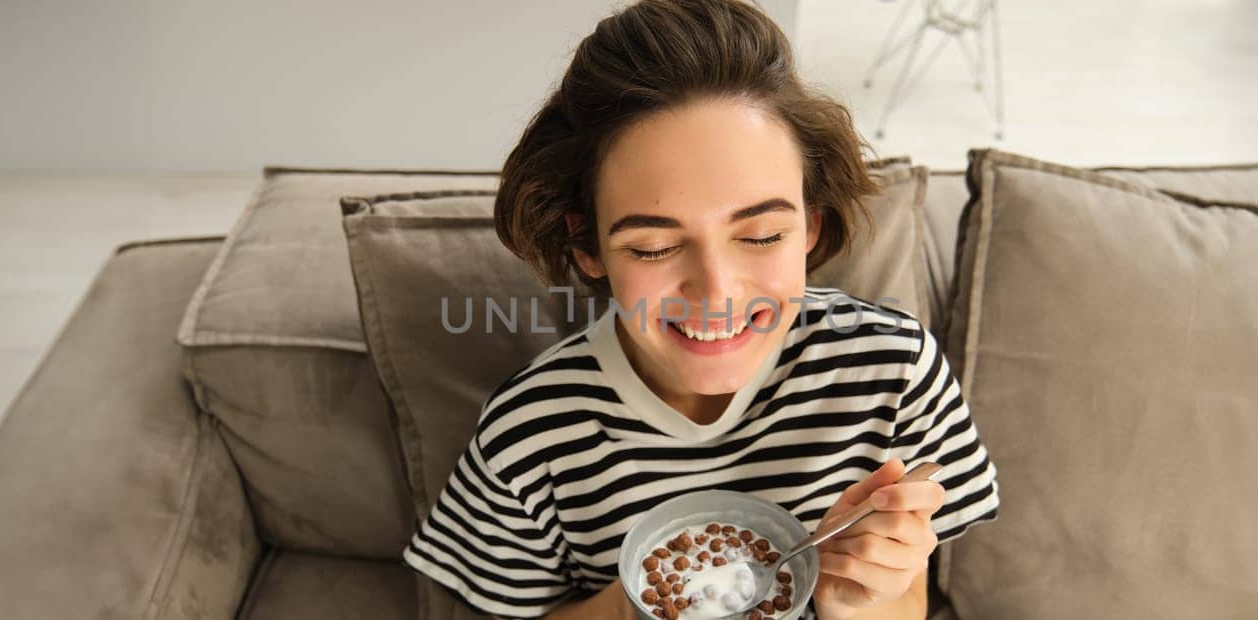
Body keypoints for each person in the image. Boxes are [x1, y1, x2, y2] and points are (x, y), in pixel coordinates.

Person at [401, 0, 999, 618]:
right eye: (654, 246)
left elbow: (913, 600)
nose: (716, 293)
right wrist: (636, 606)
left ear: (811, 227)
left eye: (763, 235)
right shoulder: (531, 434)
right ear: (588, 248)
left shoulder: (893, 372)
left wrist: (853, 600)